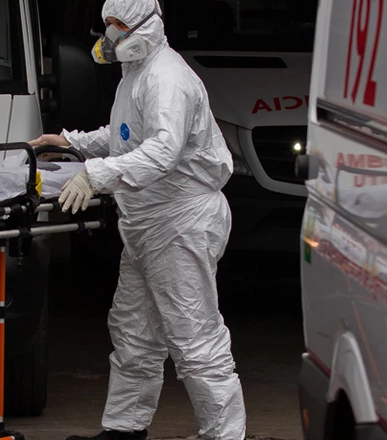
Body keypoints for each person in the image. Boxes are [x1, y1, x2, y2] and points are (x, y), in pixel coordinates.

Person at [26, 0, 245, 438]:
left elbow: (162, 151)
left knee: (194, 338)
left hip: (181, 222)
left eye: (119, 27)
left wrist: (95, 175)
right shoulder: (137, 75)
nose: (110, 37)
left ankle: (225, 434)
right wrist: (71, 143)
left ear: (145, 27)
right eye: (108, 26)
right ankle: (125, 429)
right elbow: (125, 135)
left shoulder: (167, 79)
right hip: (148, 223)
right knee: (134, 332)